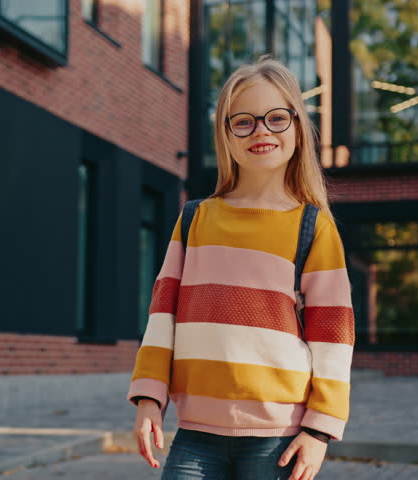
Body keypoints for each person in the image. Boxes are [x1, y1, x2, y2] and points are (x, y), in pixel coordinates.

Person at [127, 55, 355, 480]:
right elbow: (162, 317)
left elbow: (333, 337)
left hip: (279, 439)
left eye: (275, 118)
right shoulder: (195, 218)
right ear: (227, 135)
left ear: (297, 128)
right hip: (194, 435)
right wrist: (148, 400)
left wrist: (319, 431)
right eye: (244, 122)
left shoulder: (314, 226)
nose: (261, 131)